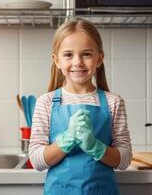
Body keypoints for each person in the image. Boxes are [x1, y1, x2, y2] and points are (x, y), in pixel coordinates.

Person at [28, 18, 132, 195]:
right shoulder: (45, 102)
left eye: (86, 54)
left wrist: (95, 146)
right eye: (68, 55)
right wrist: (66, 140)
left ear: (99, 59)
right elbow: (37, 161)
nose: (78, 62)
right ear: (57, 60)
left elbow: (124, 160)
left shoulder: (113, 102)